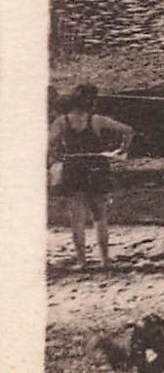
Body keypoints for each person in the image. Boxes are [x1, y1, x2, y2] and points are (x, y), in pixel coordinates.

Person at [48, 84, 135, 268]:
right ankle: (105, 260)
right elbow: (128, 130)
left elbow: (47, 144)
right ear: (92, 102)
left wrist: (54, 158)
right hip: (96, 168)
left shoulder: (62, 122)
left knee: (77, 221)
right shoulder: (96, 120)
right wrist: (122, 150)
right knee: (100, 217)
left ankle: (82, 261)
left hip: (73, 169)